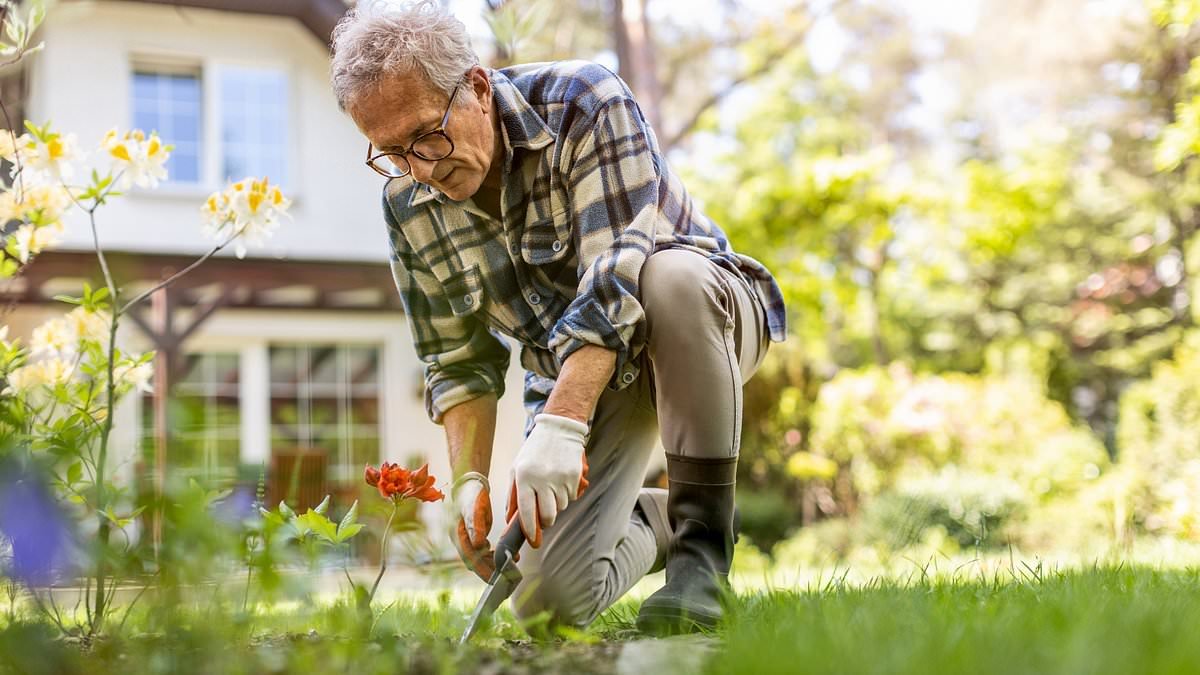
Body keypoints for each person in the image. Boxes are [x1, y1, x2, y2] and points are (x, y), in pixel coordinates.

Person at [330, 0, 786, 635]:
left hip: (700, 324)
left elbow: (615, 275)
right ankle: (672, 514)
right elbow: (457, 361)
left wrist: (563, 423)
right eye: (393, 153)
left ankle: (701, 558)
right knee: (550, 604)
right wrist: (469, 482)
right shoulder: (408, 205)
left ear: (477, 87)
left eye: (428, 136)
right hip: (585, 378)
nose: (423, 170)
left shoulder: (583, 100)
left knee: (668, 277)